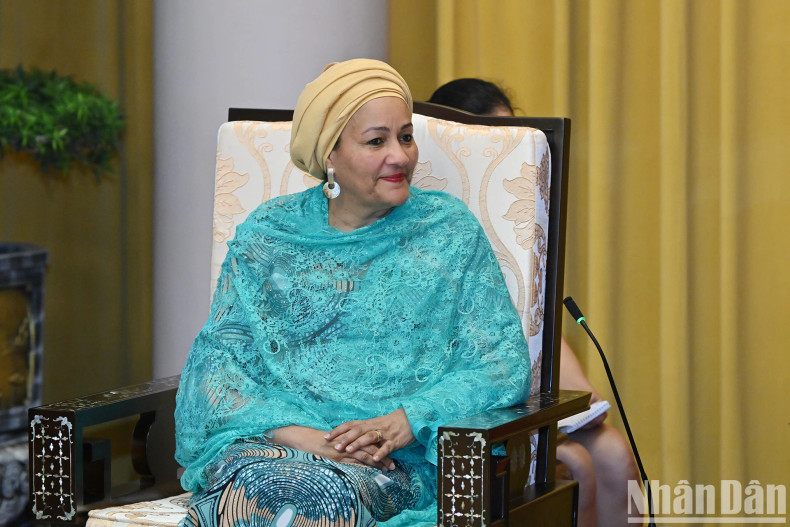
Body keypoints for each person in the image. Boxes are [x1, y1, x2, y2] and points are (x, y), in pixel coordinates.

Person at [174, 59, 532, 527]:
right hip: (277, 448)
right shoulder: (270, 235)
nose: (400, 156)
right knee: (263, 491)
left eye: (405, 136)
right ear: (329, 155)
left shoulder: (447, 232)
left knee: (302, 500)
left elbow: (500, 364)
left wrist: (405, 420)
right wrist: (306, 437)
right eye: (376, 141)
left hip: (398, 462)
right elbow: (218, 370)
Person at [428, 78, 641, 527]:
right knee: (578, 467)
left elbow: (548, 349)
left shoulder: (524, 238)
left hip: (533, 406)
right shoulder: (439, 229)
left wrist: (583, 404)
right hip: (475, 412)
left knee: (615, 456)